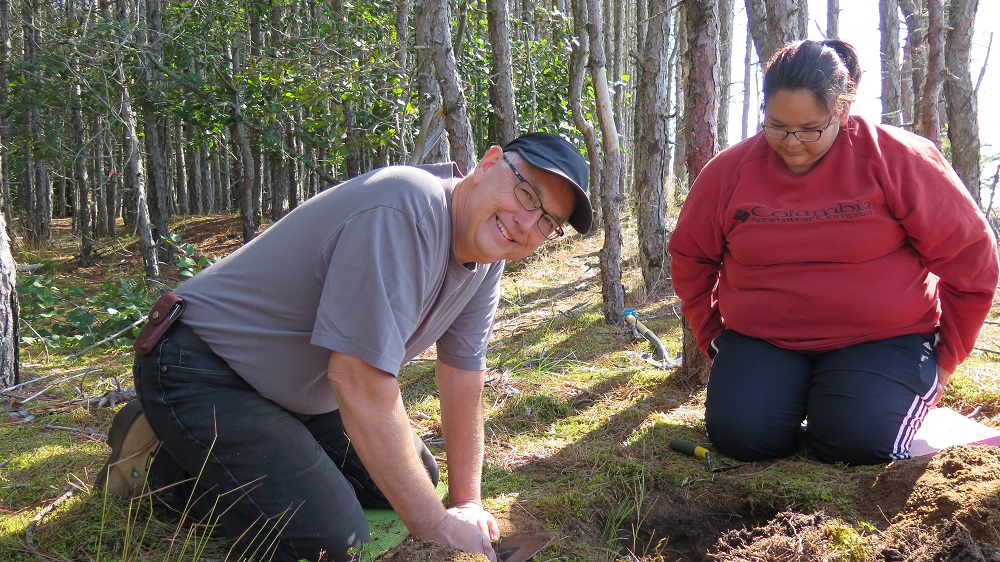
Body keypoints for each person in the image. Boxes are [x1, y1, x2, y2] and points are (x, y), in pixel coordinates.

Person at [95, 132, 593, 562]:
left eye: (547, 223)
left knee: (412, 478)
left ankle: (237, 449)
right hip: (200, 365)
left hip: (294, 395)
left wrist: (466, 501)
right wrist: (437, 527)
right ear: (488, 164)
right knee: (333, 542)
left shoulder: (486, 257)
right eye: (527, 194)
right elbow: (357, 379)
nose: (527, 224)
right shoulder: (407, 207)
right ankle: (156, 470)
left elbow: (463, 373)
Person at [667, 39, 999, 465]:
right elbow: (691, 256)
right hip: (764, 340)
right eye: (776, 125)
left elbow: (972, 260)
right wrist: (712, 335)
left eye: (809, 129)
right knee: (743, 439)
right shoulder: (730, 172)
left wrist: (947, 356)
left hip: (883, 340)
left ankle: (876, 404)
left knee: (855, 444)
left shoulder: (897, 159)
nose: (791, 142)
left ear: (841, 112)